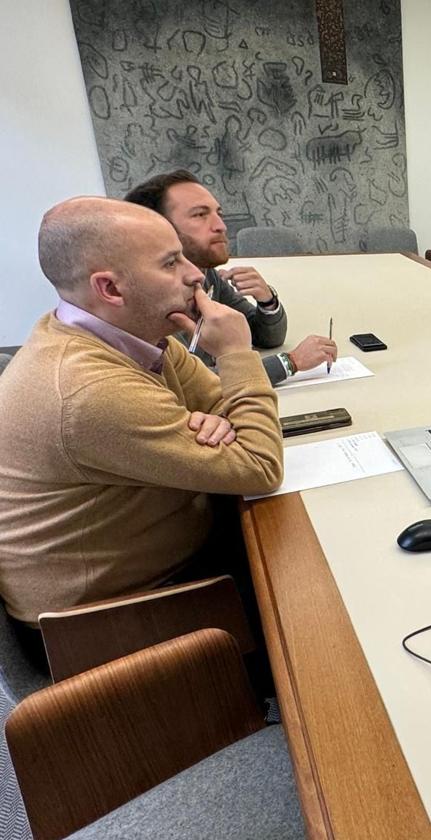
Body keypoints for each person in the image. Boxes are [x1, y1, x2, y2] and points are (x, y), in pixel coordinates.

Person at [0, 196, 284, 646]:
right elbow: (259, 466)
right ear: (110, 289)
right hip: (107, 625)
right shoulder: (86, 389)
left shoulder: (132, 332)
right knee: (318, 603)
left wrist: (226, 424)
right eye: (171, 263)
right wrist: (235, 353)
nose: (195, 275)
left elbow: (224, 408)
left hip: (162, 563)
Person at [125, 170, 336, 384]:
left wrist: (267, 301)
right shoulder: (151, 302)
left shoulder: (208, 276)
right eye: (200, 215)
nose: (221, 226)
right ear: (158, 228)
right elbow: (197, 385)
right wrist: (291, 362)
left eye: (219, 214)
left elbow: (264, 337)